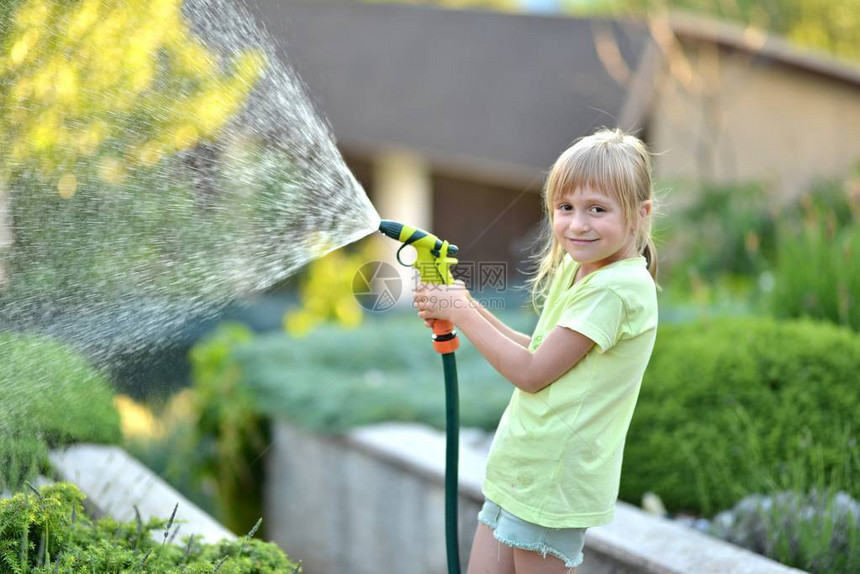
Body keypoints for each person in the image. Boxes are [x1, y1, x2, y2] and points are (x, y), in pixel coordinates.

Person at [413, 127, 659, 574]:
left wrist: (461, 313)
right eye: (565, 208)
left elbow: (530, 372)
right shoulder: (582, 269)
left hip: (554, 479)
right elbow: (542, 351)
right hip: (524, 469)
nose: (577, 224)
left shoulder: (617, 289)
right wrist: (464, 304)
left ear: (639, 213)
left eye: (597, 209)